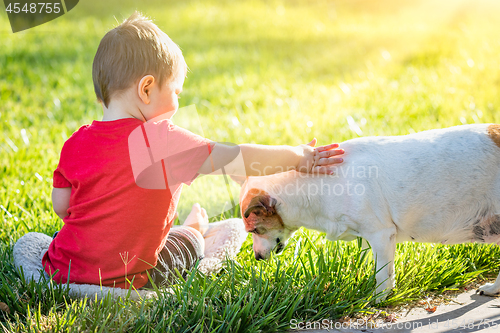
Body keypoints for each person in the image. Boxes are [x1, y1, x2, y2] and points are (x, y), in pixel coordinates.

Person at [41, 12, 345, 290]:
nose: (176, 105)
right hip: (133, 276)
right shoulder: (162, 139)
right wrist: (298, 157)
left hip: (64, 270)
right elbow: (240, 156)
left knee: (57, 240)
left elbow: (62, 206)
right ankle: (194, 230)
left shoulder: (75, 143)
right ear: (146, 89)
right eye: (175, 93)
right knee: (187, 243)